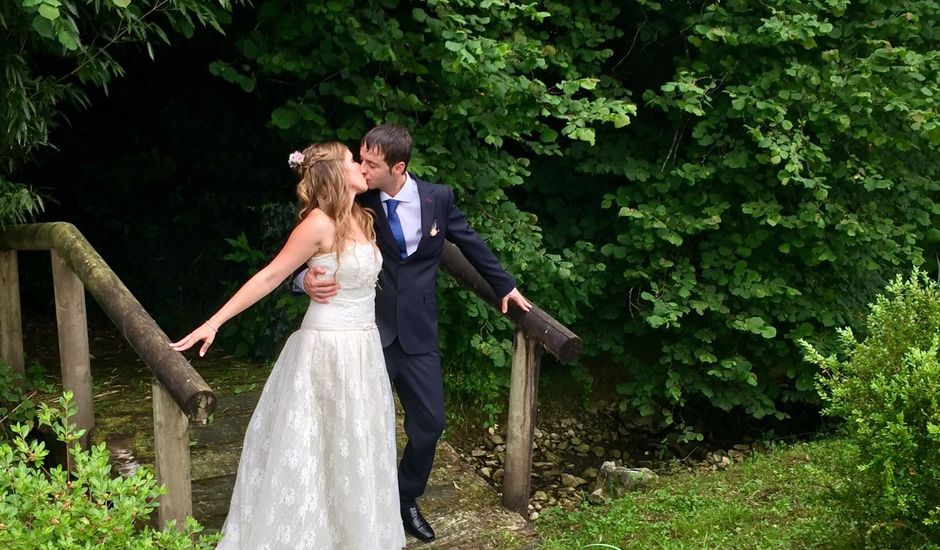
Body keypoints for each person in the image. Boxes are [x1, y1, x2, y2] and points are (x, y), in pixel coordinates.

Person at [299, 124, 531, 543]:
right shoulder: (355, 196)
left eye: (371, 163)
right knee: (359, 424)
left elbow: (469, 241)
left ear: (398, 166)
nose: (363, 168)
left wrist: (506, 285)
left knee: (430, 424)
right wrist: (302, 281)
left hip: (419, 334)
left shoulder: (437, 198)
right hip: (367, 332)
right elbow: (307, 248)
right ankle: (351, 506)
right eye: (361, 159)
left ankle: (405, 497)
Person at [170, 142, 406, 550]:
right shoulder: (317, 224)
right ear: (335, 173)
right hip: (326, 350)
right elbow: (271, 276)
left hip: (363, 350)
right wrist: (214, 322)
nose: (363, 167)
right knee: (315, 444)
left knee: (354, 442)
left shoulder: (360, 217)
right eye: (353, 161)